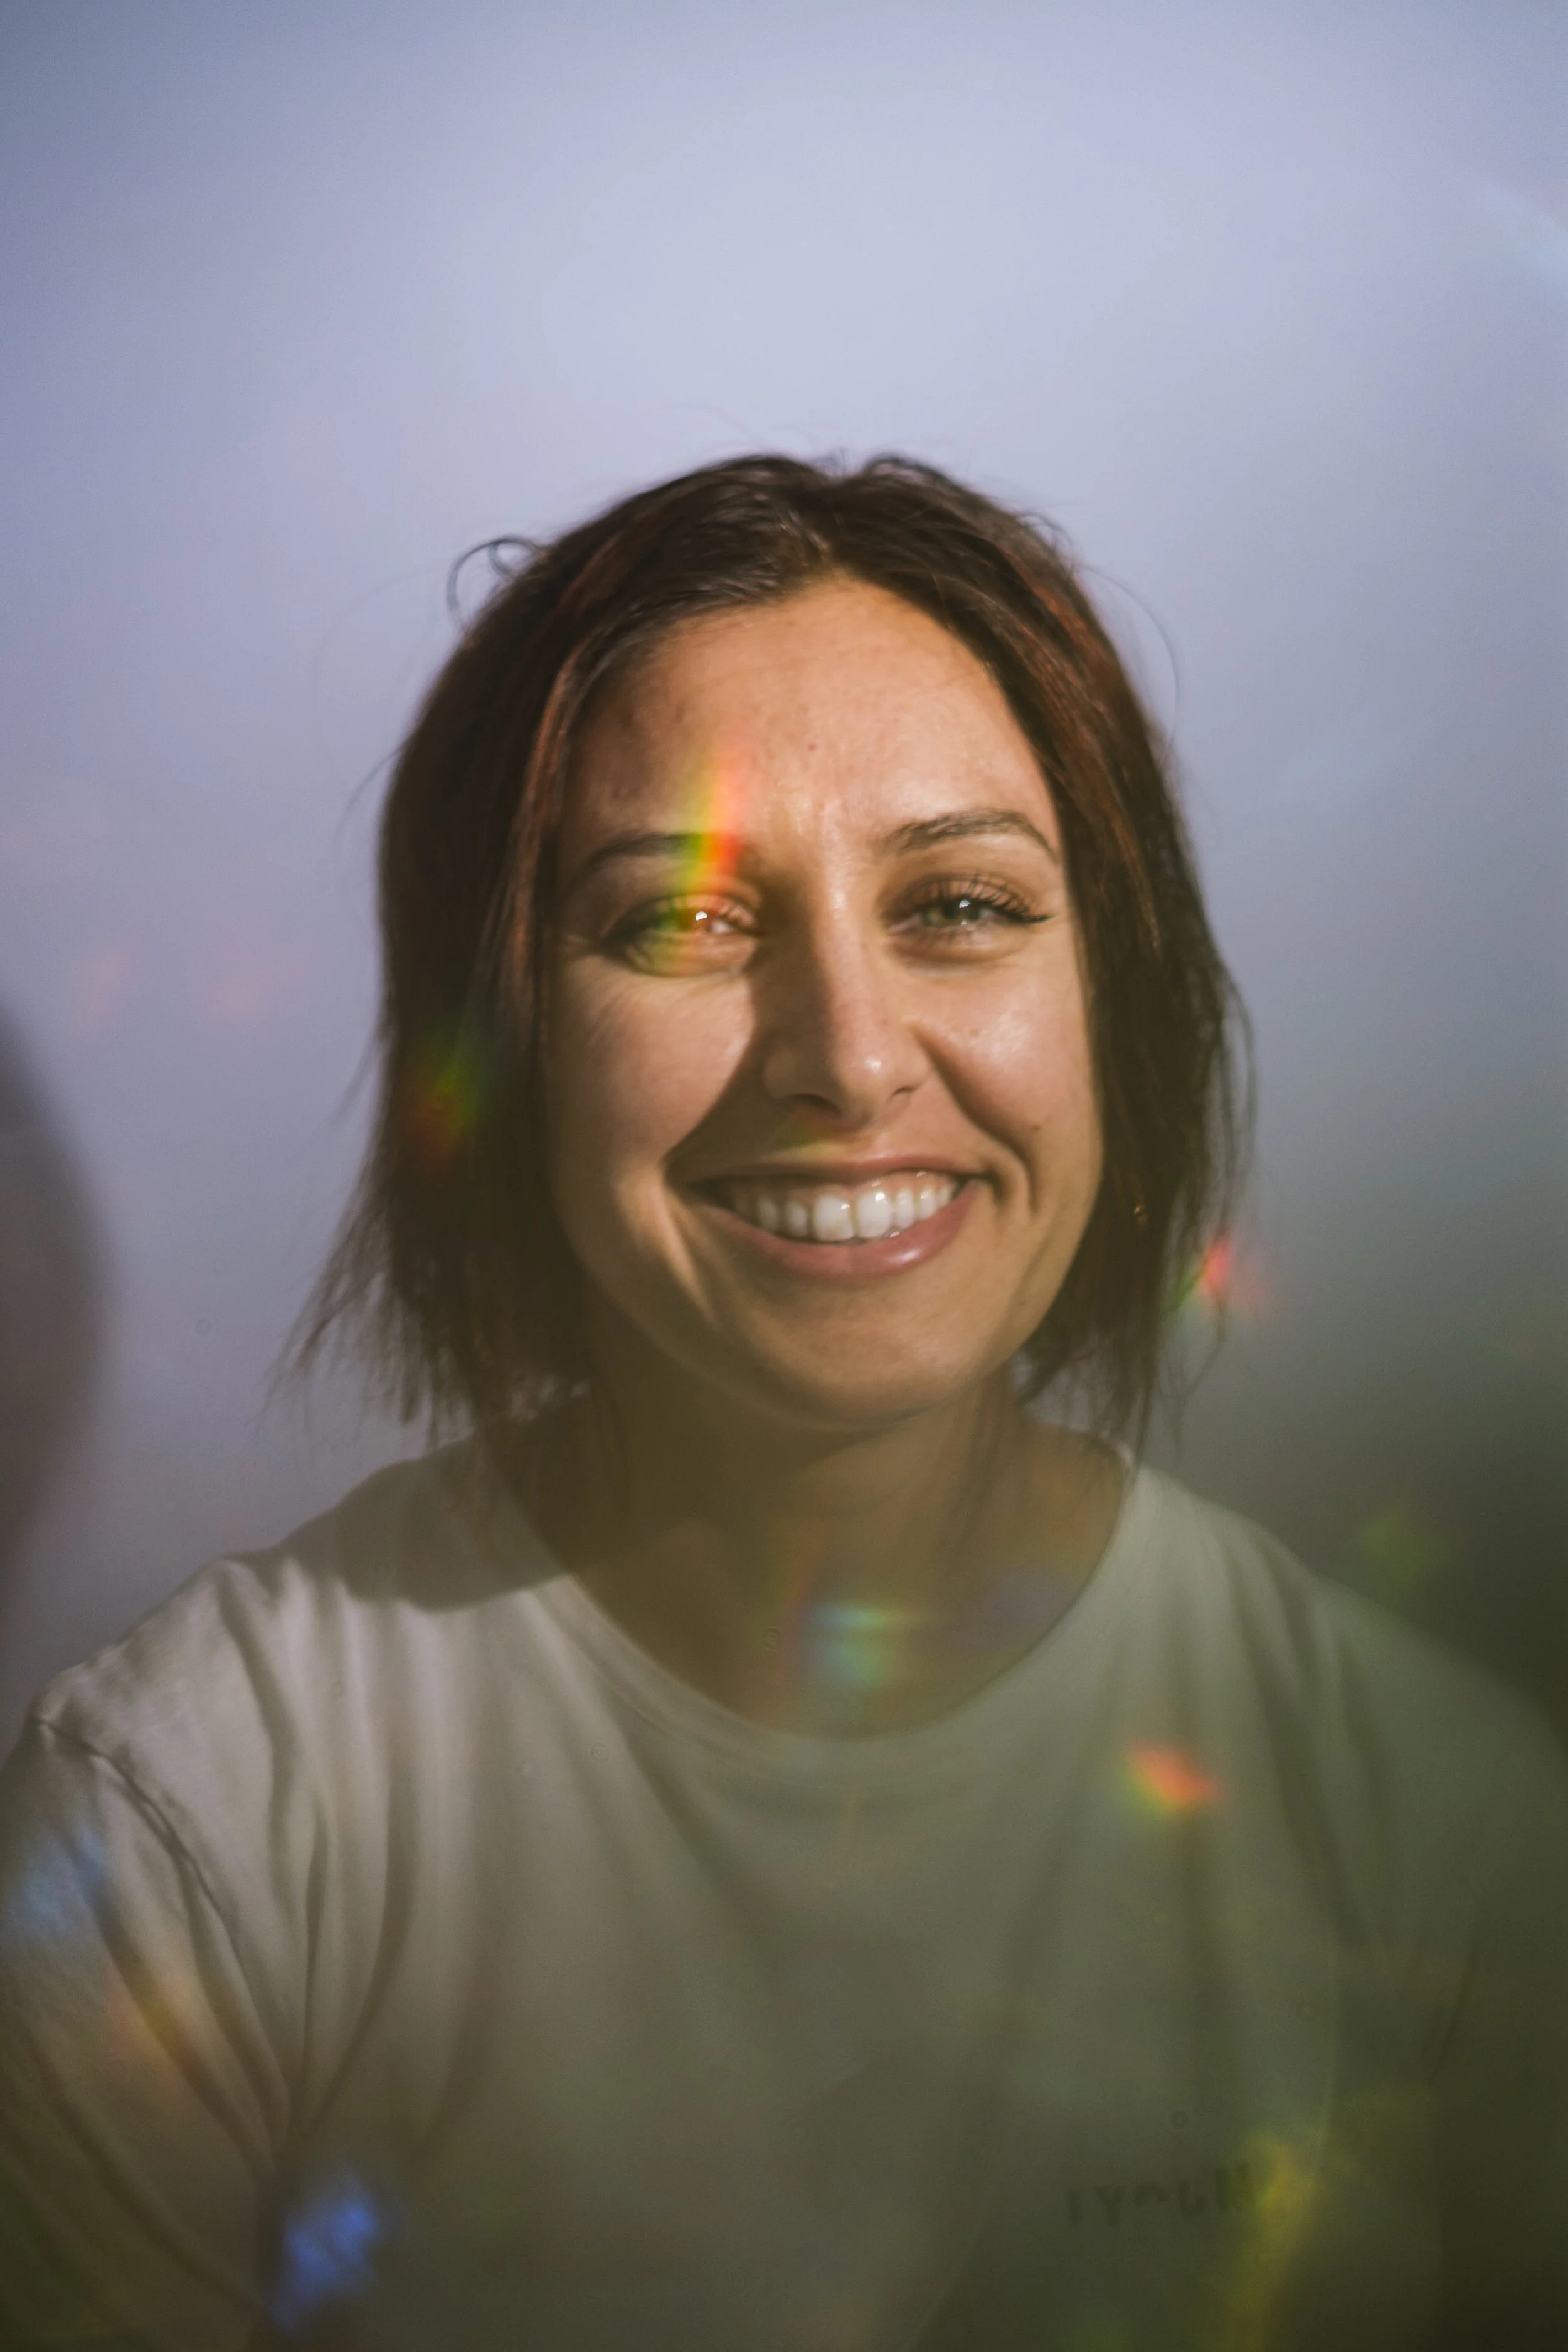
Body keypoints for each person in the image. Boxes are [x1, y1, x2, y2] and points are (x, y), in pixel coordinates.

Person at [0, 456, 1563, 2352]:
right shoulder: (180, 1843)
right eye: (681, 923)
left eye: (962, 904)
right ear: (497, 1048)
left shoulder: (1454, 1844)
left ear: (1116, 1003)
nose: (844, 1054)